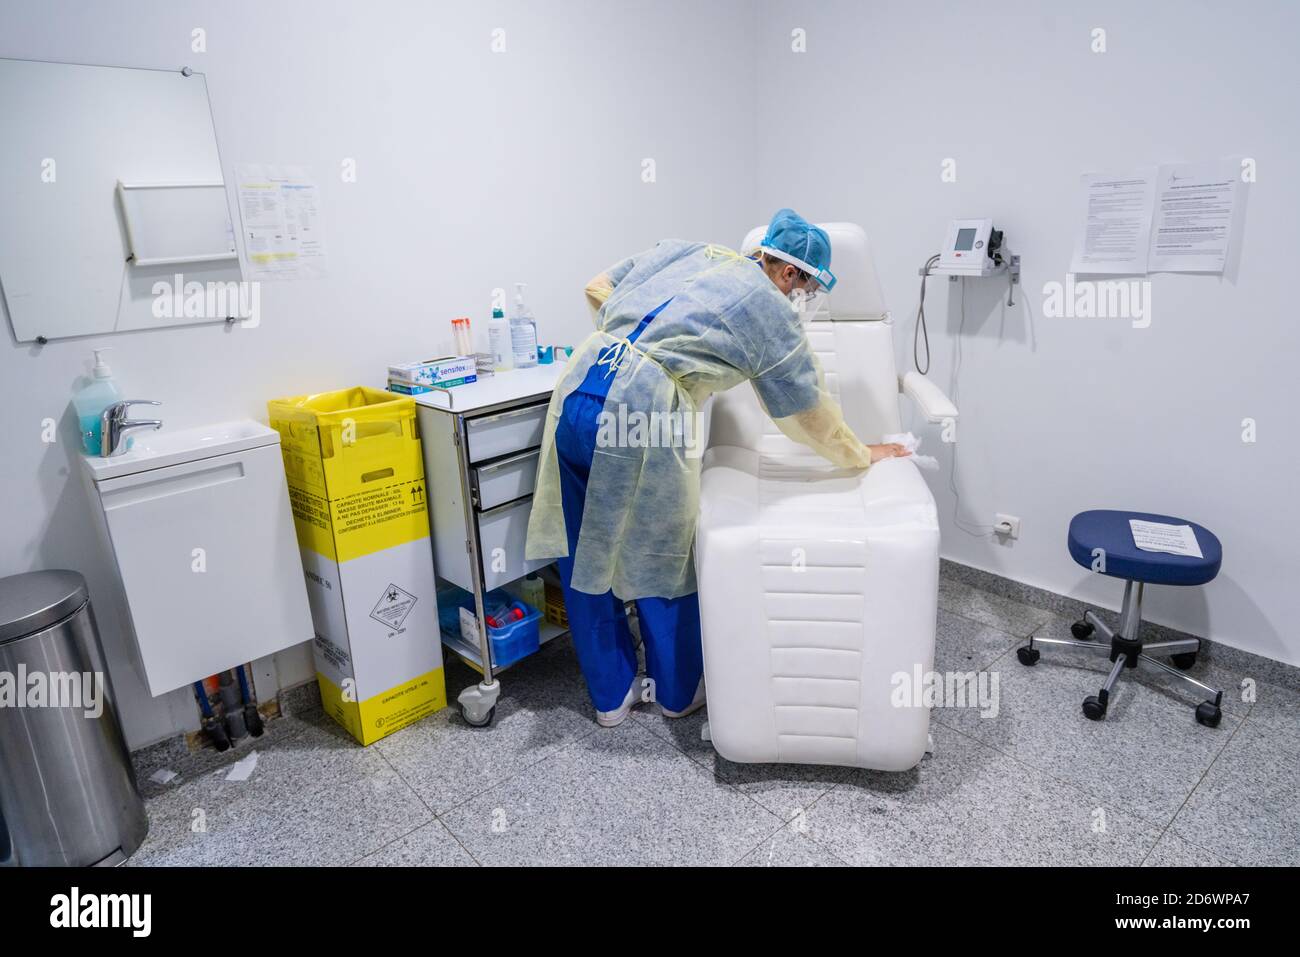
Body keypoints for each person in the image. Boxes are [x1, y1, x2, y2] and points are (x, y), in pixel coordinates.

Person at [525, 209, 909, 727]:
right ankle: (677, 693)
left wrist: (642, 349)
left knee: (582, 551)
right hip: (642, 413)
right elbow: (807, 413)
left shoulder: (689, 250)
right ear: (788, 273)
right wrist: (862, 453)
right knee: (661, 552)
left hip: (577, 390)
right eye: (806, 287)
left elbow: (597, 287)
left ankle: (610, 697)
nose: (802, 300)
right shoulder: (768, 311)